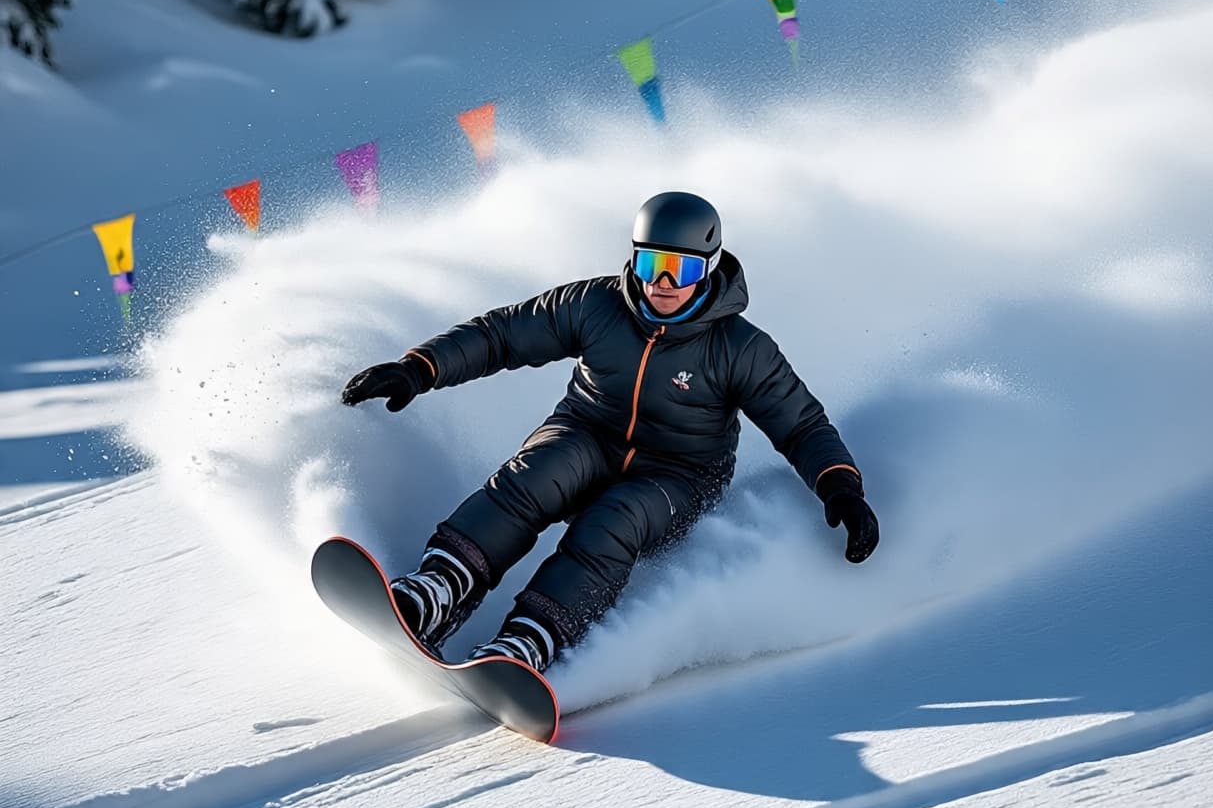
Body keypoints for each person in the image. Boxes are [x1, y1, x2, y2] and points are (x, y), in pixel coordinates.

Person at [341, 192, 878, 672]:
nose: (661, 284)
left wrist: (841, 488)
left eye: (680, 269)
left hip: (680, 474)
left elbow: (801, 424)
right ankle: (441, 587)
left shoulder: (740, 347)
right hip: (587, 432)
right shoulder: (597, 305)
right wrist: (420, 367)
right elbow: (501, 335)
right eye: (650, 264)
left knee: (612, 522)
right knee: (535, 474)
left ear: (709, 270)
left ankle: (532, 639)